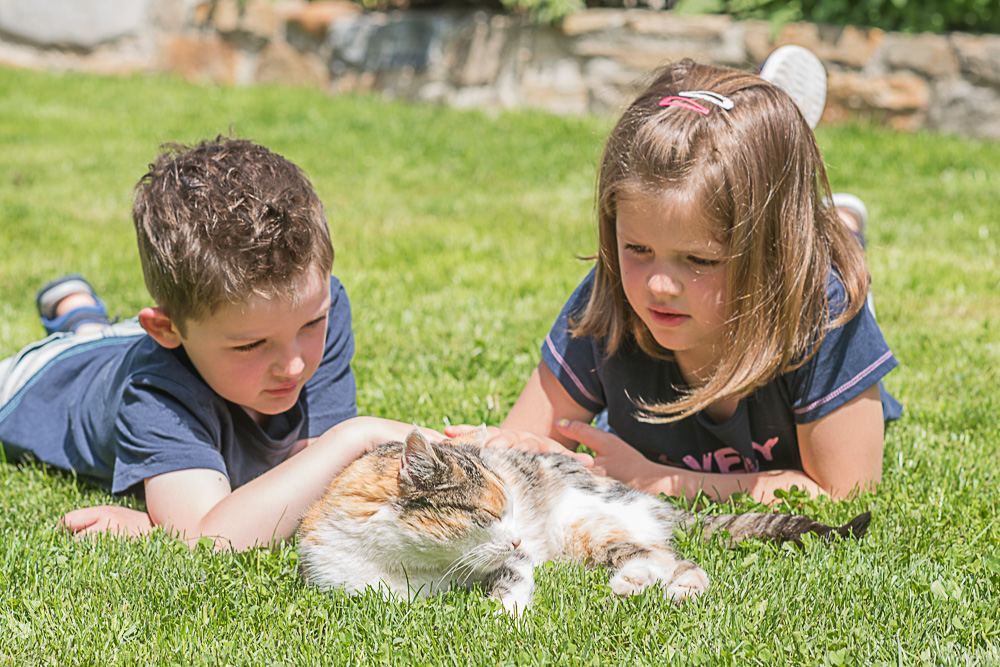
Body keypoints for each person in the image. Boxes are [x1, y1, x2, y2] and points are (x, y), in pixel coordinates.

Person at [448, 54, 901, 504]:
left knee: (837, 254)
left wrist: (659, 480)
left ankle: (834, 223)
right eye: (638, 249)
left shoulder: (822, 308)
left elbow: (843, 490)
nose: (659, 285)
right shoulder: (609, 298)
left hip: (804, 278)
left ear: (773, 259)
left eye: (699, 260)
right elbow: (516, 443)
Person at [0, 137, 434, 549]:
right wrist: (355, 436)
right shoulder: (155, 393)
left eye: (311, 324)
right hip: (42, 380)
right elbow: (211, 538)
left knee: (106, 337)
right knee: (88, 347)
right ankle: (79, 318)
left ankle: (78, 310)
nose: (293, 366)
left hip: (138, 343)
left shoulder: (317, 308)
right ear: (169, 330)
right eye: (250, 346)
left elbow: (308, 471)